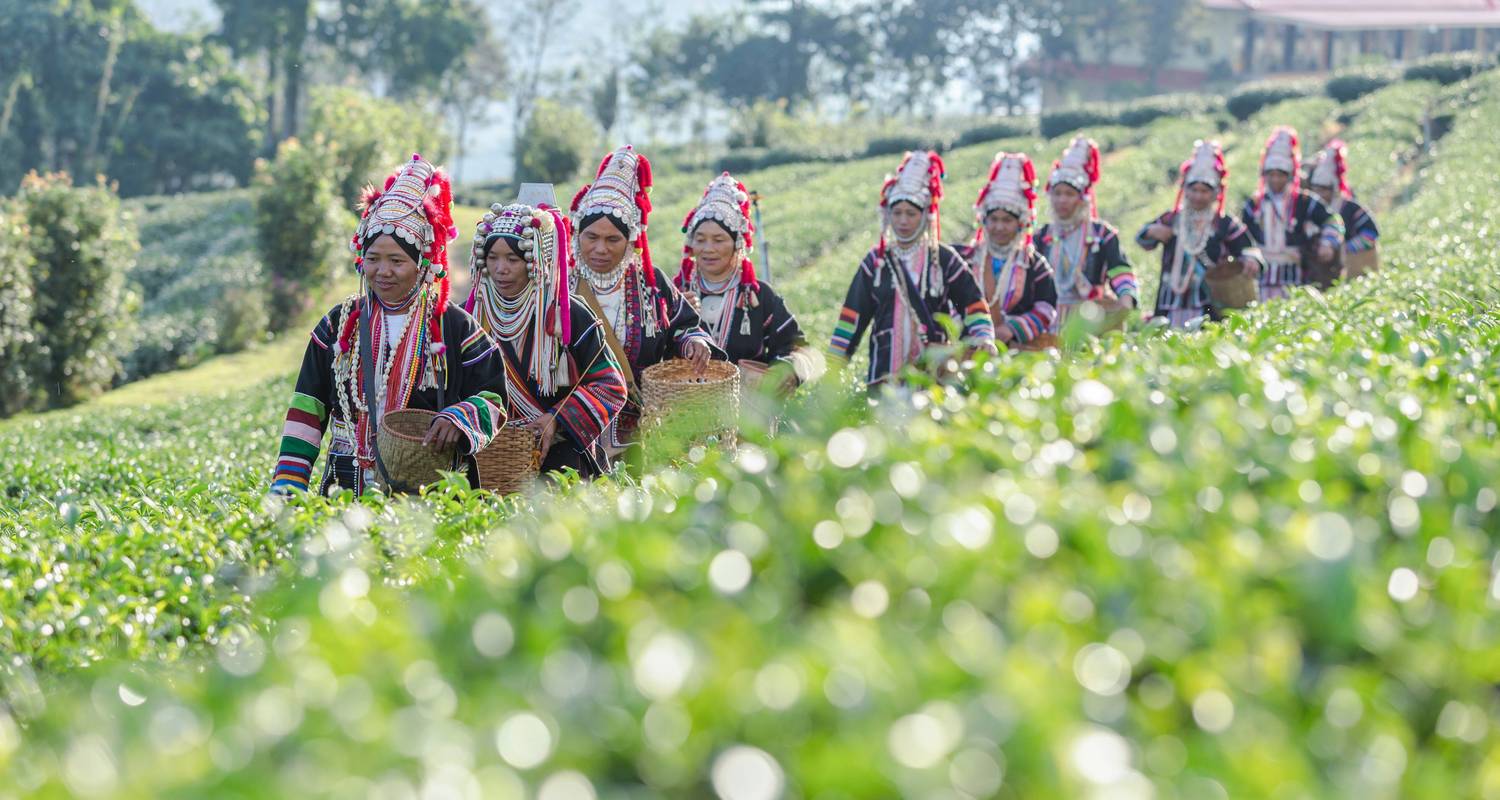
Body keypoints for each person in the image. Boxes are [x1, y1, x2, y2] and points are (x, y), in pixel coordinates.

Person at [270, 155, 507, 496]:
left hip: (429, 492)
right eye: (373, 259)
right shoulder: (339, 325)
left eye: (397, 261)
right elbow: (308, 405)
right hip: (345, 487)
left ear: (423, 265)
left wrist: (461, 418)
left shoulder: (454, 326)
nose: (383, 271)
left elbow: (493, 396)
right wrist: (288, 486)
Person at [465, 201, 627, 478]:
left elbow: (610, 385)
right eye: (492, 258)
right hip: (488, 459)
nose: (501, 268)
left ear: (535, 260)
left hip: (561, 461)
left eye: (513, 259)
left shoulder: (568, 315)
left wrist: (557, 418)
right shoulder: (471, 316)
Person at [568, 145, 713, 450]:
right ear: (577, 235)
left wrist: (693, 342)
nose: (600, 249)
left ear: (630, 241)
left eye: (613, 239)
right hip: (574, 432)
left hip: (642, 432)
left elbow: (685, 325)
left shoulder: (651, 283)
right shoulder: (560, 286)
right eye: (591, 237)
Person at [828, 150, 996, 387]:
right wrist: (831, 370)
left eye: (911, 214)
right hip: (884, 378)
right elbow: (851, 319)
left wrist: (983, 338)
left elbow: (974, 305)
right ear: (888, 215)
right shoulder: (875, 263)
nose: (903, 221)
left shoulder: (943, 260)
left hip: (934, 380)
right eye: (897, 213)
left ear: (925, 216)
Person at [674, 172, 823, 393]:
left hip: (748, 419)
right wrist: (674, 317)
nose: (708, 248)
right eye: (701, 239)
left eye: (719, 240)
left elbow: (799, 350)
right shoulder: (676, 293)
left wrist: (787, 371)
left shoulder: (759, 297)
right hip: (685, 415)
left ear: (737, 245)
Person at [1139, 140, 1266, 329]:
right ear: (1185, 190)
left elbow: (1247, 247)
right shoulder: (1171, 218)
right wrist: (1151, 231)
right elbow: (1143, 239)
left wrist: (1251, 259)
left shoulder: (1223, 222)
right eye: (1193, 189)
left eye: (1204, 191)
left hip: (1208, 297)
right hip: (1172, 297)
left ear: (1215, 193)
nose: (1198, 196)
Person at [1033, 136, 1138, 330]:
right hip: (1048, 320)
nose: (1062, 200)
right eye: (1057, 193)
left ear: (1081, 199)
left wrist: (1126, 297)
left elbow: (1120, 270)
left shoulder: (1102, 235)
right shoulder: (1041, 237)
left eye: (1069, 194)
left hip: (1090, 318)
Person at [956, 152, 1057, 346]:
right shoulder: (964, 259)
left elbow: (1046, 308)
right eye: (993, 219)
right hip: (968, 348)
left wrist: (1011, 329)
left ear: (1020, 224)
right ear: (983, 221)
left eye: (1007, 220)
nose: (999, 227)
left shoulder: (1034, 265)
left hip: (1017, 351)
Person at [1240, 126, 1344, 300]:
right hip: (1262, 276)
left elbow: (1333, 220)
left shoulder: (1304, 201)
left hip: (1295, 275)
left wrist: (1328, 242)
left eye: (1279, 175)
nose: (1275, 180)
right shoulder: (1254, 204)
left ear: (1289, 175)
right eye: (1270, 175)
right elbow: (1243, 237)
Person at [1306, 140, 1379, 271]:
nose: (1318, 194)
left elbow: (1370, 234)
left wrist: (1343, 249)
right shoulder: (1310, 207)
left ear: (1333, 189)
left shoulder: (1350, 208)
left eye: (1323, 190)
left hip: (1348, 267)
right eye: (1315, 189)